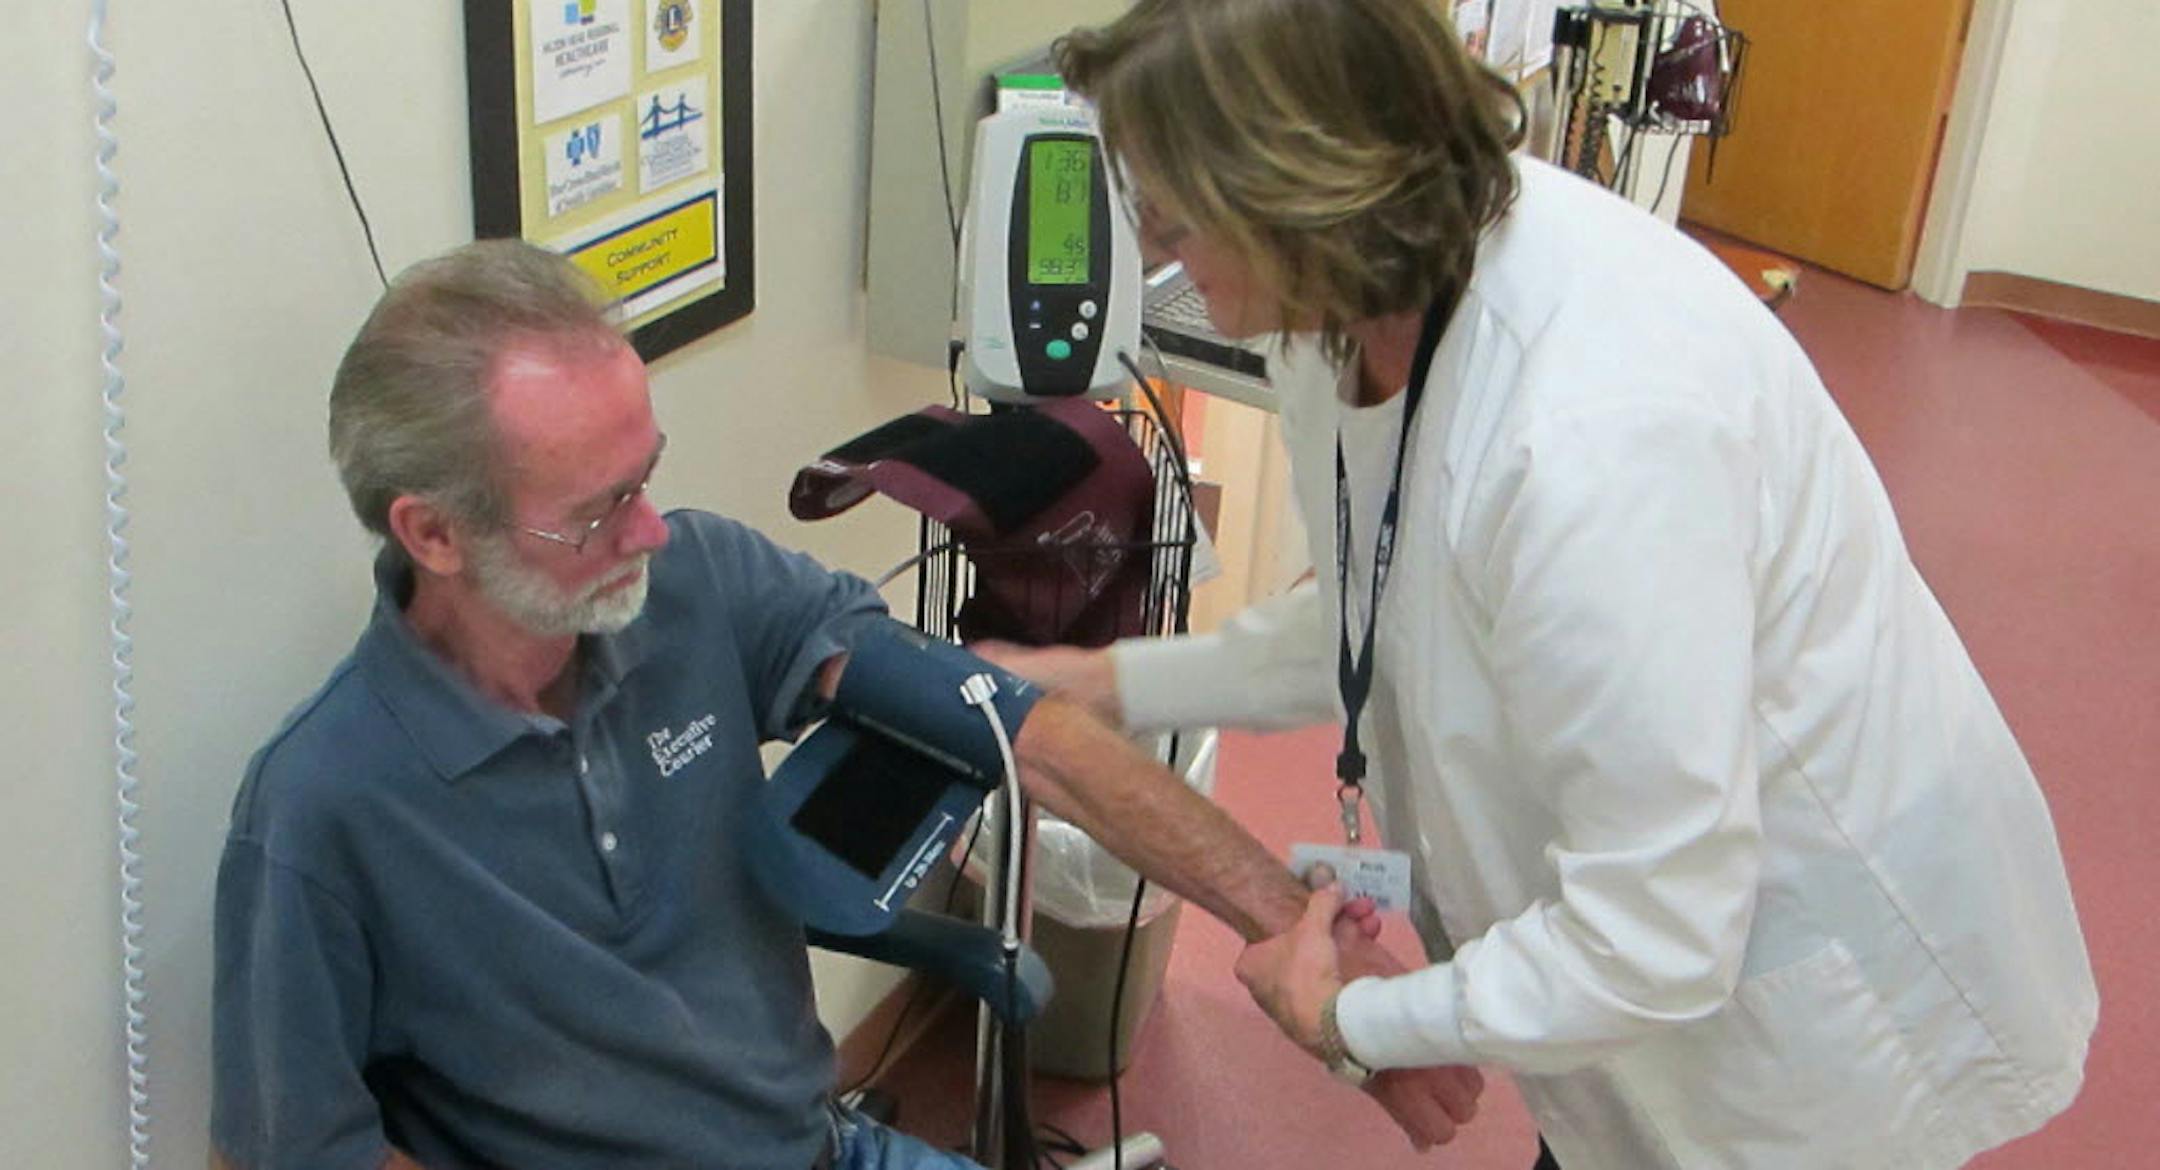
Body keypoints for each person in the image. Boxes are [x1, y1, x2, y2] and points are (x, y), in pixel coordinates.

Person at [981, 1, 2100, 1166]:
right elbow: (1391, 606)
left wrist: (1355, 1021)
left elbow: (1659, 932)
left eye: (1172, 211)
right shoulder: (1357, 307)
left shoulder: (1594, 434)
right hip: (1636, 965)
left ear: (1299, 191)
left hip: (1798, 1013)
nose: (1153, 248)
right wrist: (1109, 680)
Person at [210, 240, 1478, 1170]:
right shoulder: (323, 808)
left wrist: (1312, 951)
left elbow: (1023, 737)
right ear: (433, 533)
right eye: (598, 510)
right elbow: (299, 1152)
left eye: (645, 476)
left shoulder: (693, 578)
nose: (651, 529)